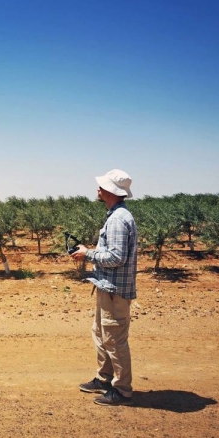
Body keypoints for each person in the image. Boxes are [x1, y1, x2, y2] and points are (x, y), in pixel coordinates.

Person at [71, 169, 138, 406]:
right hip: (107, 287)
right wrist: (88, 251)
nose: (98, 189)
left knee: (114, 339)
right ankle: (104, 378)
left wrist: (88, 254)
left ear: (111, 191)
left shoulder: (119, 219)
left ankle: (122, 390)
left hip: (114, 290)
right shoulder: (115, 215)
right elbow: (111, 253)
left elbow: (117, 257)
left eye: (102, 186)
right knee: (101, 334)